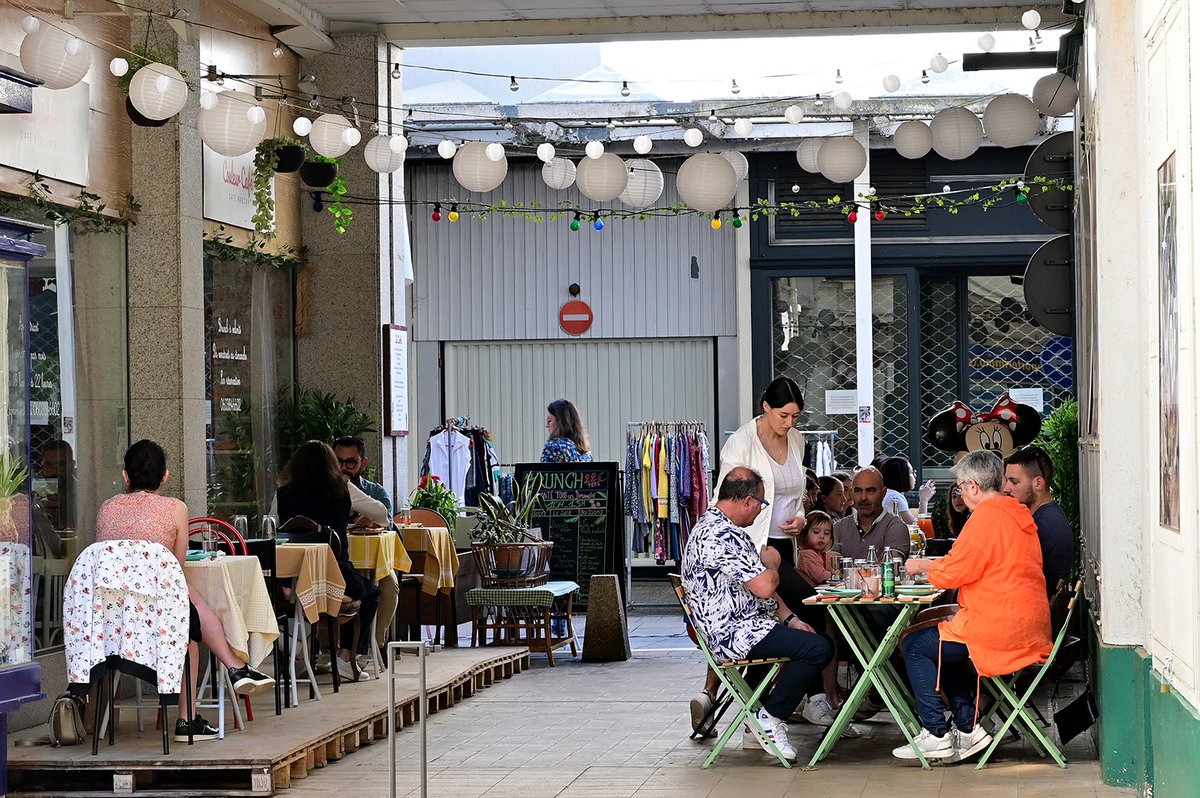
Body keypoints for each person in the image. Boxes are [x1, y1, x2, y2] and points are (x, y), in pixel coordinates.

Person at [94, 440, 274, 742]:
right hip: (156, 614)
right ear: (165, 476)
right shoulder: (175, 508)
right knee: (187, 629)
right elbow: (173, 569)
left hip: (109, 618)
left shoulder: (107, 507)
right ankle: (209, 696)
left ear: (125, 476)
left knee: (186, 618)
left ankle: (234, 670)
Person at [898, 450, 1052, 763]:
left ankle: (936, 733)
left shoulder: (986, 516)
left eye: (959, 487)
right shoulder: (1013, 511)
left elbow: (955, 572)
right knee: (941, 646)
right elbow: (969, 563)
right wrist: (934, 565)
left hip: (999, 627)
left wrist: (922, 566)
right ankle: (968, 729)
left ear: (972, 487)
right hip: (1023, 622)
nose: (960, 493)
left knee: (915, 645)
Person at [682, 467, 832, 761]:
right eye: (762, 504)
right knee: (819, 648)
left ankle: (756, 726)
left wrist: (790, 618)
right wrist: (772, 563)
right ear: (748, 502)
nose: (760, 511)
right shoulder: (721, 534)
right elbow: (765, 585)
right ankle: (770, 718)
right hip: (734, 634)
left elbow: (756, 586)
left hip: (746, 626)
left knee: (804, 635)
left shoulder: (714, 527)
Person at [275, 441, 382, 682]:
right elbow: (381, 513)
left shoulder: (282, 494)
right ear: (332, 464)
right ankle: (346, 656)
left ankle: (301, 654)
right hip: (336, 580)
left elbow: (272, 528)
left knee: (278, 602)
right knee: (372, 592)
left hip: (293, 581)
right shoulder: (343, 488)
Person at [1004, 444, 1074, 595]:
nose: (1006, 488)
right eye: (1006, 480)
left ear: (1038, 483)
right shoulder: (1049, 515)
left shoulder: (1041, 526)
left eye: (1014, 482)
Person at [832, 467, 910, 560]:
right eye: (858, 491)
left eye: (870, 491)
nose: (863, 497)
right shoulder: (838, 528)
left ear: (883, 493)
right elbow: (832, 567)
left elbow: (888, 568)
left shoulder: (895, 527)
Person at [333, 436, 393, 518]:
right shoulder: (319, 492)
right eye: (338, 461)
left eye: (351, 462)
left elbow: (387, 526)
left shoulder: (376, 493)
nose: (343, 468)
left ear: (363, 463)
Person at [880, 455, 935, 525]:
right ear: (901, 475)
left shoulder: (888, 494)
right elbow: (916, 528)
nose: (915, 475)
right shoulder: (895, 497)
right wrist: (924, 500)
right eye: (912, 472)